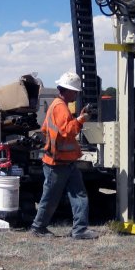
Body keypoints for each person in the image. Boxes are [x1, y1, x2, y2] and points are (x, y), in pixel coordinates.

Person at [29, 71, 99, 239]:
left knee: (78, 195)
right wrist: (81, 120)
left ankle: (79, 230)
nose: (76, 94)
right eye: (74, 91)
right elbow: (66, 131)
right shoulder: (60, 107)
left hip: (63, 161)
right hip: (57, 162)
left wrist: (79, 116)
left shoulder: (57, 105)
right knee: (51, 198)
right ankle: (38, 227)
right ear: (66, 90)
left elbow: (48, 128)